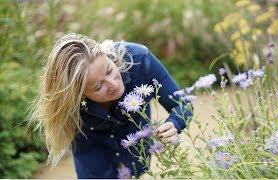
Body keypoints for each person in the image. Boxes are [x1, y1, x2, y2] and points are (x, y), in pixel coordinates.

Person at [27, 33, 193, 178]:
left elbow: (182, 103)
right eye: (98, 87)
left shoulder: (140, 60)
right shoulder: (67, 101)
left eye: (109, 71)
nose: (113, 84)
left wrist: (175, 122)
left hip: (136, 158)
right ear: (79, 94)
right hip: (95, 167)